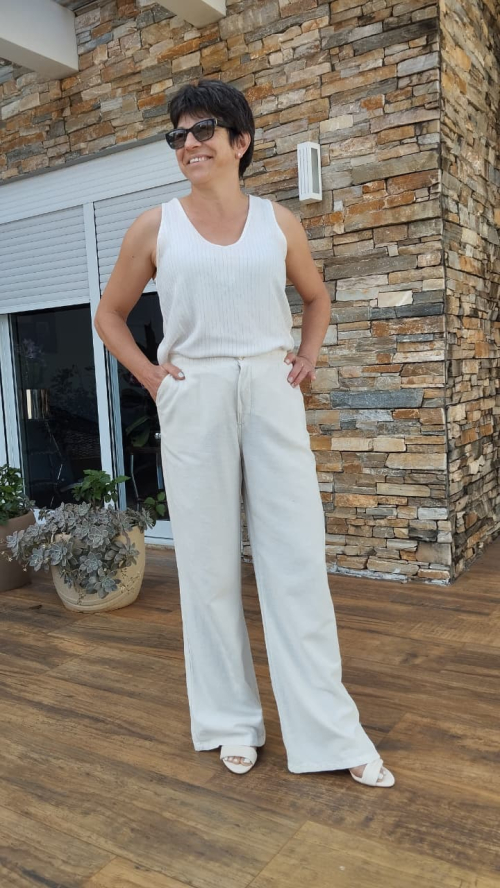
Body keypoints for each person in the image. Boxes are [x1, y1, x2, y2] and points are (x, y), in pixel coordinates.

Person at [94, 79, 394, 788]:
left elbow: (315, 297)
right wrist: (153, 378)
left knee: (296, 561)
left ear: (241, 142)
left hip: (268, 386)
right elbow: (108, 316)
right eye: (178, 134)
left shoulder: (277, 223)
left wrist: (307, 356)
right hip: (193, 392)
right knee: (207, 568)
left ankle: (328, 732)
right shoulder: (154, 227)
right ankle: (230, 722)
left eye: (203, 130)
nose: (189, 143)